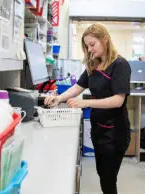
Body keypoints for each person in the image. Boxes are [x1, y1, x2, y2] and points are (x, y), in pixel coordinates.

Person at [44, 23, 131, 194]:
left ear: (105, 40)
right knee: (102, 174)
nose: (89, 50)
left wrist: (86, 103)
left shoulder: (120, 65)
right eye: (87, 46)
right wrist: (59, 98)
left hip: (115, 132)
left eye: (92, 45)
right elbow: (78, 87)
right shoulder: (93, 64)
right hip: (99, 128)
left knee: (108, 179)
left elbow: (118, 100)